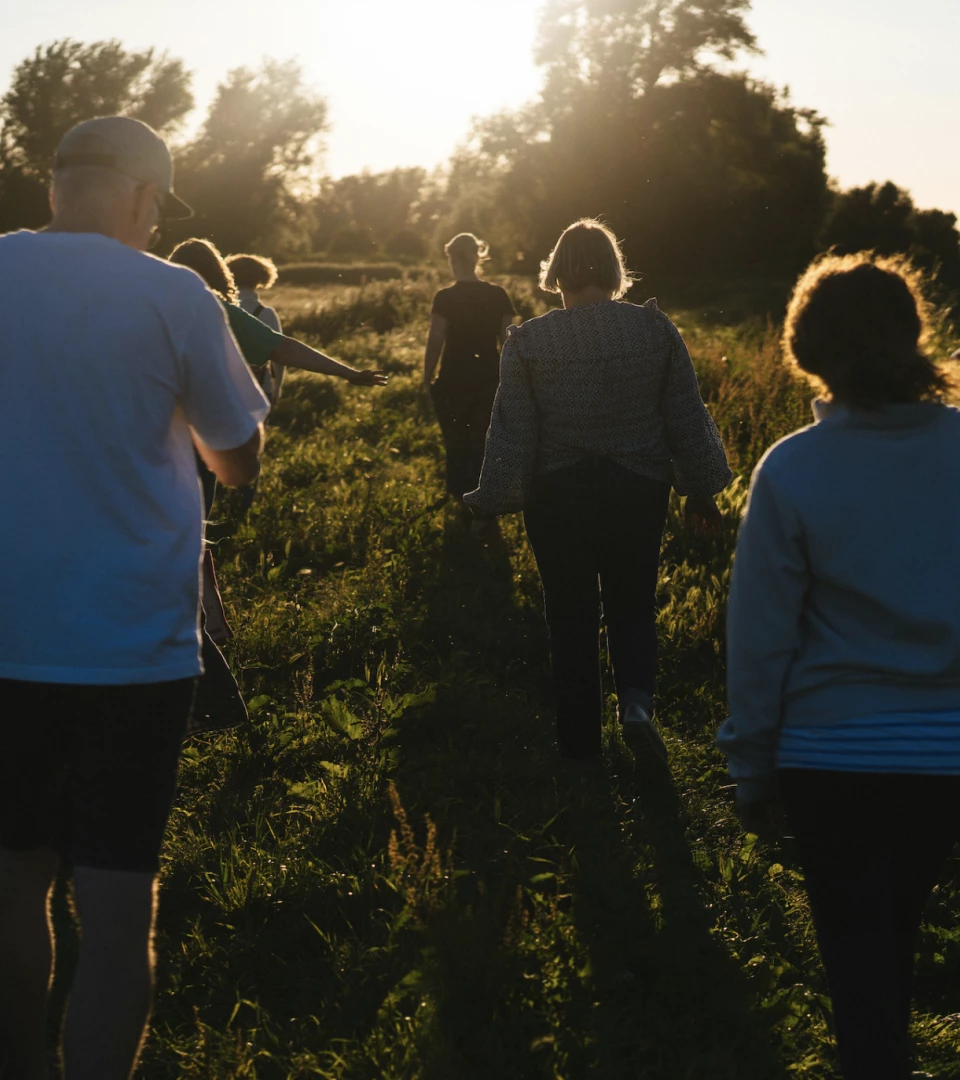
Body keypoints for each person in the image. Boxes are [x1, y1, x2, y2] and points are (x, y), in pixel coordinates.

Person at [0, 116, 268, 1080]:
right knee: (115, 917)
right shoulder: (175, 294)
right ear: (143, 195)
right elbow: (236, 463)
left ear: (58, 184)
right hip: (130, 651)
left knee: (10, 896)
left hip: (5, 638)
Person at [718, 253, 960, 1080]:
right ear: (912, 336)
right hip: (946, 759)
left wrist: (752, 765)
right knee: (900, 922)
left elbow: (760, 635)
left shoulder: (794, 467)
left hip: (828, 759)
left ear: (807, 348)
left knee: (857, 953)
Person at [464, 219, 731, 767]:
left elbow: (512, 431)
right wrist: (701, 491)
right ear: (614, 273)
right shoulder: (654, 330)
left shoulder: (529, 342)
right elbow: (685, 412)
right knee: (633, 601)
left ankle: (580, 749)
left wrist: (488, 505)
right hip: (639, 486)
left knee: (569, 613)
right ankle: (635, 704)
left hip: (557, 493)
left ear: (557, 273)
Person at [423, 233, 516, 517]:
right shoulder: (498, 294)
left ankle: (459, 501)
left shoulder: (445, 297)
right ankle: (481, 500)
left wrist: (426, 378)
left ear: (452, 257)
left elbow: (436, 339)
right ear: (477, 256)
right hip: (490, 379)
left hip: (452, 379)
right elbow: (509, 343)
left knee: (455, 440)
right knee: (482, 441)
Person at [226, 252, 285, 402]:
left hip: (227, 386)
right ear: (261, 279)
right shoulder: (267, 314)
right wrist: (277, 387)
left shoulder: (221, 309)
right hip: (259, 387)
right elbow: (280, 354)